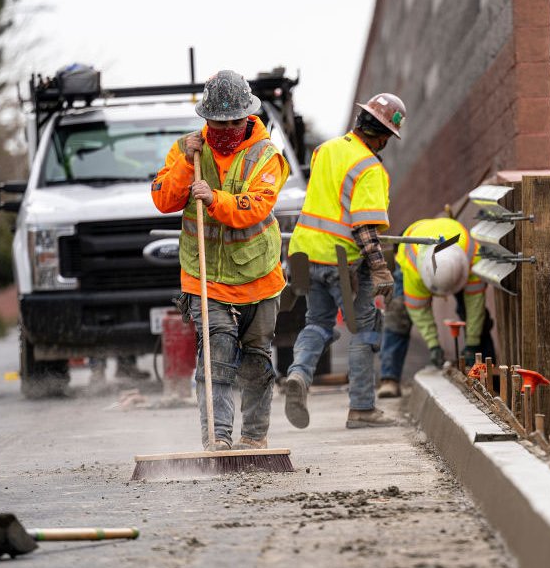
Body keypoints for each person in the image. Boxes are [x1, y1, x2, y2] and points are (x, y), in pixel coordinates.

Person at [151, 70, 290, 451]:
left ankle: (254, 437)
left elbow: (256, 207)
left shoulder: (267, 156)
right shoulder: (188, 150)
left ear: (248, 117)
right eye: (218, 122)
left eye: (233, 121)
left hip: (259, 277)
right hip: (206, 277)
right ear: (205, 119)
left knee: (257, 362)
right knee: (218, 355)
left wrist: (213, 198)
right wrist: (185, 163)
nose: (226, 128)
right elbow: (163, 199)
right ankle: (218, 438)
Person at [281, 93, 405, 429]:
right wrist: (380, 268)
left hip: (304, 253)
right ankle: (362, 409)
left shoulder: (326, 150)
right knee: (364, 330)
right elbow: (363, 225)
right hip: (342, 260)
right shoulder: (369, 167)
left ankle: (299, 375)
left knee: (317, 323)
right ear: (382, 136)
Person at [377, 217, 490, 398]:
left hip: (457, 255)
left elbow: (475, 307)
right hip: (409, 251)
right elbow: (418, 310)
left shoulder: (472, 257)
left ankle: (484, 374)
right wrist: (434, 345)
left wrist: (472, 343)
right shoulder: (414, 269)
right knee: (398, 315)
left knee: (477, 316)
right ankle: (389, 379)